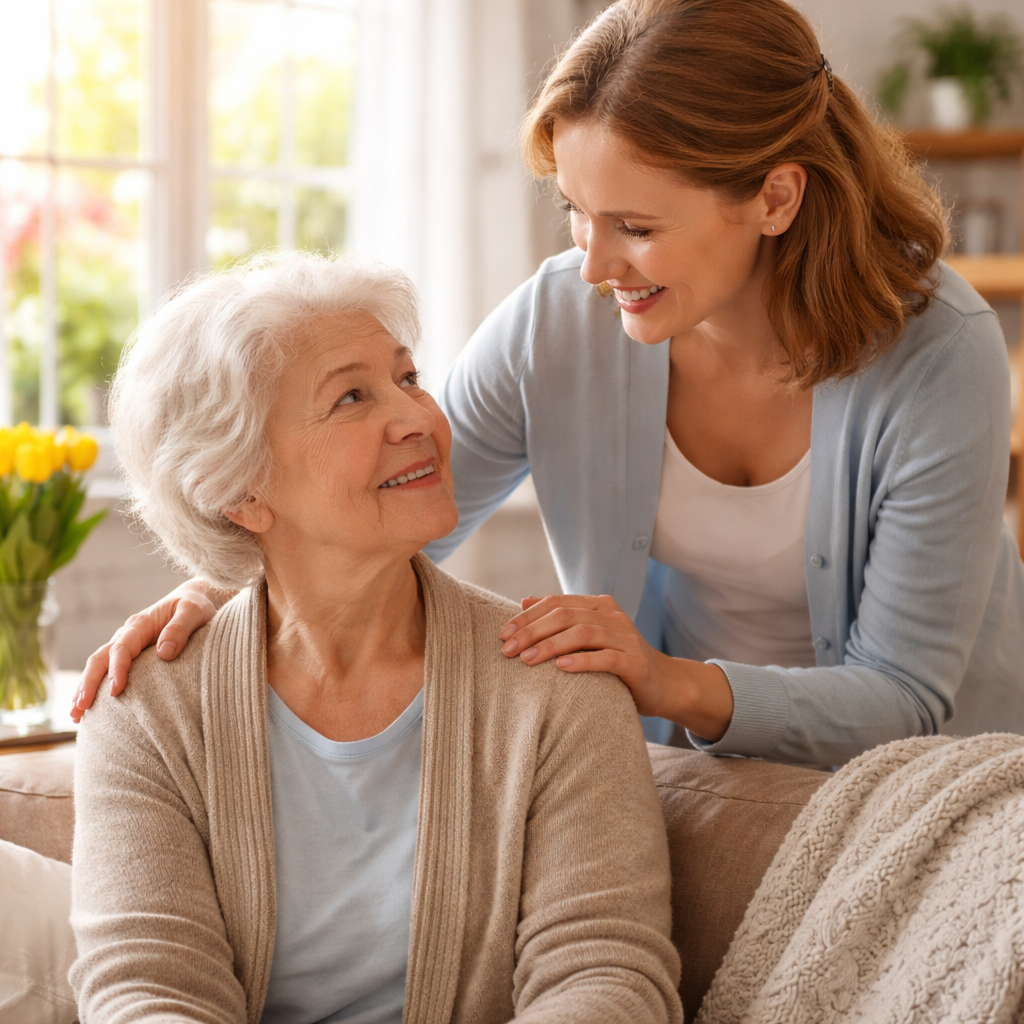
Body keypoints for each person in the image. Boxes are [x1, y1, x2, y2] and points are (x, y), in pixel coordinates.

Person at [73, 0, 1024, 767]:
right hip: (694, 773)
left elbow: (902, 695)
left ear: (775, 197)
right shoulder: (562, 319)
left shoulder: (939, 351)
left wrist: (662, 679)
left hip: (936, 779)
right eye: (576, 212)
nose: (596, 263)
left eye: (637, 227)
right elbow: (398, 501)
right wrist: (222, 590)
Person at [69, 252, 682, 1023]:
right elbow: (145, 989)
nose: (418, 418)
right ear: (241, 490)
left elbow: (605, 976)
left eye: (409, 379)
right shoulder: (146, 708)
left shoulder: (557, 687)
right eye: (352, 397)